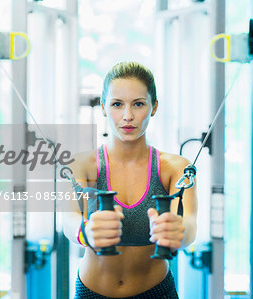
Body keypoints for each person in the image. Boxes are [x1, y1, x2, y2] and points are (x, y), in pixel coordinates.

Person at [62, 61, 198, 298]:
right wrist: (86, 232)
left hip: (156, 292)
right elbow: (68, 220)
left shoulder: (175, 167)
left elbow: (189, 224)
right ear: (104, 107)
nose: (127, 116)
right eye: (117, 104)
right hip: (92, 292)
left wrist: (179, 232)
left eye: (138, 104)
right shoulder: (80, 164)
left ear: (153, 107)